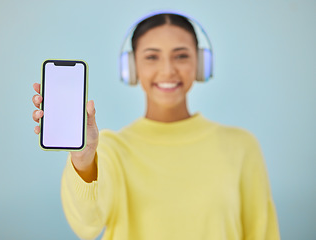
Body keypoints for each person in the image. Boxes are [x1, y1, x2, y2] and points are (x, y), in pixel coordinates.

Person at [32, 11, 280, 240]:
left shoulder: (241, 146)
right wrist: (83, 160)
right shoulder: (110, 149)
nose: (168, 70)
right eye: (152, 57)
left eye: (181, 56)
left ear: (200, 64)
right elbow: (86, 226)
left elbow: (263, 233)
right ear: (132, 68)